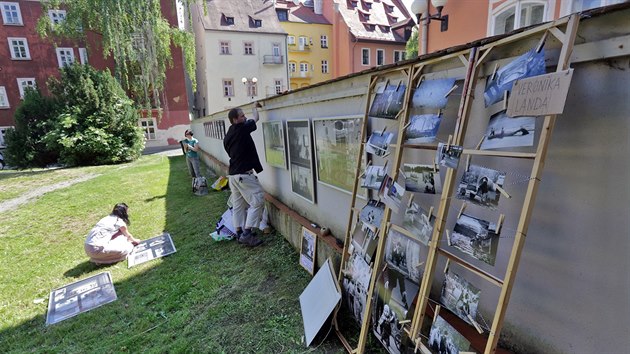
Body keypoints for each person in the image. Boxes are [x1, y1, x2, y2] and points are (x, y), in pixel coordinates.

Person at [223, 105, 264, 247]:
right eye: (242, 116)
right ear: (235, 120)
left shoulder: (229, 133)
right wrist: (255, 107)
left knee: (238, 205)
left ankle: (239, 232)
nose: (245, 117)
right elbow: (256, 118)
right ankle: (247, 233)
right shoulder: (242, 128)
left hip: (233, 175)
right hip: (243, 175)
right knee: (258, 200)